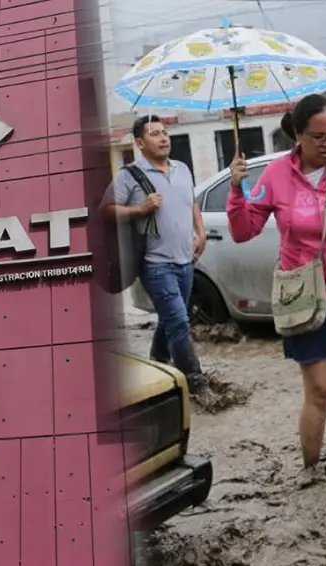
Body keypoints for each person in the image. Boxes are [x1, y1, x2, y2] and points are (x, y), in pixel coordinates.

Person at [226, 94, 326, 469]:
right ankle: (310, 472)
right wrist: (236, 190)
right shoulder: (277, 176)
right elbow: (243, 231)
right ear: (297, 136)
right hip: (303, 296)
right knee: (319, 390)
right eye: (318, 136)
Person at [108, 115, 209, 391]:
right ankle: (195, 380)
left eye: (165, 132)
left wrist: (200, 233)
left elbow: (192, 204)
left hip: (186, 259)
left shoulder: (182, 169)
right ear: (140, 143)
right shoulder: (129, 176)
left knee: (171, 318)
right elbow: (106, 211)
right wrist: (140, 210)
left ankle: (159, 359)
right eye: (154, 134)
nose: (164, 138)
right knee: (179, 321)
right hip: (155, 264)